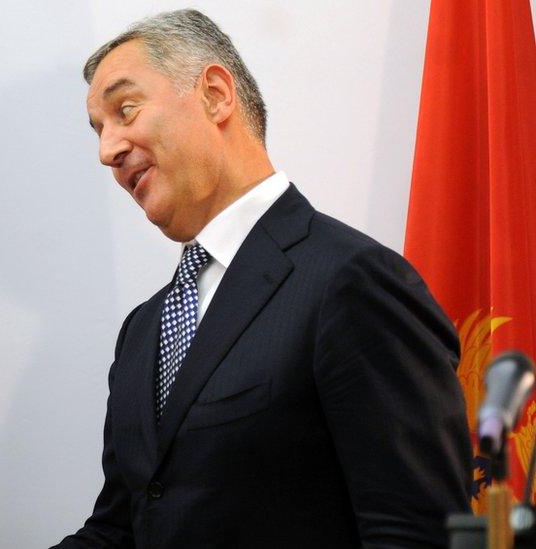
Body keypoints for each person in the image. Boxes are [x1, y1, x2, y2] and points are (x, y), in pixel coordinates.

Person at [55, 9, 471, 548]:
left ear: (215, 94)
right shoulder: (142, 329)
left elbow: (416, 534)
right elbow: (119, 530)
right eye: (99, 130)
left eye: (125, 109)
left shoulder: (351, 281)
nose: (106, 151)